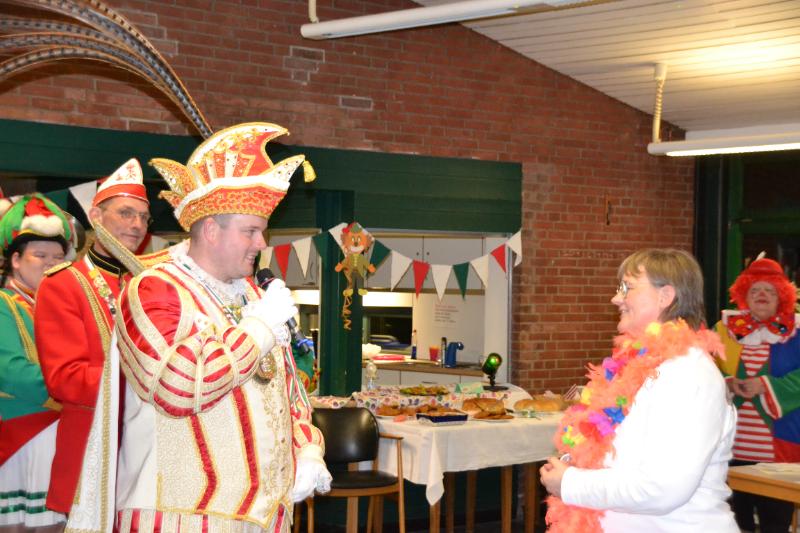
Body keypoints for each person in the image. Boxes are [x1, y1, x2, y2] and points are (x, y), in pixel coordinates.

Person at [114, 122, 331, 532]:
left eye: (262, 231)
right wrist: (259, 328)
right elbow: (176, 386)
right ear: (211, 230)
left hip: (263, 518)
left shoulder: (253, 296)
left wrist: (307, 449)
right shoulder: (155, 289)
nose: (262, 244)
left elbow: (290, 392)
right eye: (251, 231)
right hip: (181, 519)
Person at [540, 248, 738, 532]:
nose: (616, 298)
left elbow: (663, 488)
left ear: (665, 296)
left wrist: (570, 483)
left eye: (627, 288)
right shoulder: (636, 367)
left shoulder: (688, 373)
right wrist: (575, 462)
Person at [33, 159, 150, 518]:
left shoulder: (152, 283)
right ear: (96, 216)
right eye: (126, 213)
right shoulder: (63, 284)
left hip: (148, 452)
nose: (137, 225)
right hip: (92, 451)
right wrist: (147, 379)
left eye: (144, 217)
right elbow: (65, 379)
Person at [0, 194, 74, 532]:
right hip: (22, 435)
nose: (50, 264)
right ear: (15, 260)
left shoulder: (58, 307)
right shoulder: (4, 304)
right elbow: (11, 371)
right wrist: (76, 389)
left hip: (59, 434)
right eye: (40, 256)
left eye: (58, 257)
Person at [714, 256, 800, 533]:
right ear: (743, 295)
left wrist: (765, 385)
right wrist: (728, 383)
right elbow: (705, 368)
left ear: (782, 297)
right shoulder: (723, 331)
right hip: (731, 449)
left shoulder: (797, 333)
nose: (762, 295)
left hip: (778, 453)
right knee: (734, 522)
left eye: (769, 291)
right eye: (755, 290)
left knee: (775, 523)